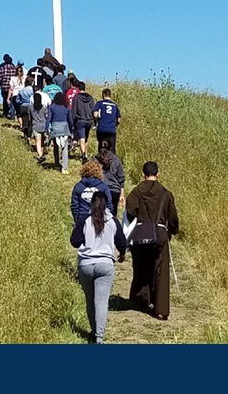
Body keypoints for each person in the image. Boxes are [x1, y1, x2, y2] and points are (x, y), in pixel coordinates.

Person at [70, 191, 127, 344]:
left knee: (90, 300)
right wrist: (122, 254)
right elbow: (122, 242)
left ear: (91, 204)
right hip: (105, 265)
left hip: (86, 265)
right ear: (107, 204)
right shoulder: (112, 221)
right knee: (101, 302)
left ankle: (94, 331)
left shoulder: (84, 220)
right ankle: (99, 338)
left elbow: (75, 242)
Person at [126, 161, 179, 320]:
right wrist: (173, 231)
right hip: (160, 234)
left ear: (143, 174)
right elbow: (173, 218)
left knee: (141, 266)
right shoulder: (165, 193)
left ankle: (142, 298)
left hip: (142, 233)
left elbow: (129, 212)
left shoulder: (136, 192)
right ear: (158, 173)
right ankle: (161, 309)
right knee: (160, 271)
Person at [95, 140, 125, 220]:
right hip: (114, 191)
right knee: (112, 216)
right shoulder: (116, 160)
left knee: (98, 215)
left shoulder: (96, 159)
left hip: (100, 190)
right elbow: (121, 178)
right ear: (111, 147)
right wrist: (122, 195)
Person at [45, 90, 73, 174]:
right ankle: (64, 168)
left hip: (55, 128)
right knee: (64, 148)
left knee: (56, 146)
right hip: (64, 128)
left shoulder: (52, 107)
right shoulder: (66, 107)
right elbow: (70, 120)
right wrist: (71, 129)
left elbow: (49, 118)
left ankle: (56, 162)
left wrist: (46, 129)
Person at [93, 88, 121, 153]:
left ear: (103, 95)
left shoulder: (99, 103)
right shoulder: (114, 105)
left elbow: (95, 115)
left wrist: (98, 120)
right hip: (111, 130)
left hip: (101, 129)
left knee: (101, 146)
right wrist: (114, 124)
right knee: (112, 148)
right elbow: (119, 119)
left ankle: (101, 159)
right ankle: (111, 161)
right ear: (110, 95)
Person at [71, 85, 95, 158]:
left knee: (81, 138)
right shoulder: (90, 98)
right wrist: (94, 122)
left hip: (80, 120)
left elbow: (74, 111)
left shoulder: (76, 98)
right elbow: (93, 109)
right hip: (89, 120)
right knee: (86, 138)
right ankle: (86, 154)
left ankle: (84, 155)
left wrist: (72, 121)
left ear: (78, 89)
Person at [30, 87, 50, 161]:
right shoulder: (43, 108)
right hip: (43, 125)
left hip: (35, 125)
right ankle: (42, 153)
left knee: (37, 141)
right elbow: (46, 116)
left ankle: (40, 155)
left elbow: (30, 117)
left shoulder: (31, 107)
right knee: (42, 141)